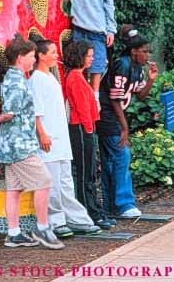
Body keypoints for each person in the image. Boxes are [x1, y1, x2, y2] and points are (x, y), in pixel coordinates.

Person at [0, 35, 64, 249]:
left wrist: (4, 117)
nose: (34, 60)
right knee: (44, 181)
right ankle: (42, 228)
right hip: (20, 144)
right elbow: (11, 110)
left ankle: (13, 233)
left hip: (9, 144)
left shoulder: (13, 77)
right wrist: (2, 117)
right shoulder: (16, 80)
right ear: (20, 57)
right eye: (31, 56)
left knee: (13, 189)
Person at [28, 39, 101, 238]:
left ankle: (77, 219)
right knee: (52, 183)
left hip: (61, 139)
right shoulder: (35, 80)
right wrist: (42, 134)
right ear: (40, 56)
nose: (56, 55)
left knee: (66, 182)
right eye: (52, 52)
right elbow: (35, 111)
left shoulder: (50, 77)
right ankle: (56, 222)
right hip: (48, 139)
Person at [97, 25, 159, 218]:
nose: (147, 55)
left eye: (149, 51)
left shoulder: (138, 69)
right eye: (144, 51)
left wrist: (150, 80)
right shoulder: (122, 65)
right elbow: (114, 98)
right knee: (121, 157)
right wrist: (125, 128)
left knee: (111, 161)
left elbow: (139, 96)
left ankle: (111, 206)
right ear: (133, 51)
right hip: (108, 117)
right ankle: (124, 205)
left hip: (114, 118)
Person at [48, 0, 117, 109]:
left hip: (98, 30)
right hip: (79, 27)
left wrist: (111, 30)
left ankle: (95, 96)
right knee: (80, 62)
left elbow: (109, 6)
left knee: (97, 64)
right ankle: (82, 92)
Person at [63, 40, 115, 229]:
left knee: (90, 172)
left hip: (86, 127)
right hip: (81, 128)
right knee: (86, 172)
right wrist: (89, 128)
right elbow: (82, 107)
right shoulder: (76, 78)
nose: (92, 59)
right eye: (89, 55)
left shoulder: (79, 76)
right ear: (80, 56)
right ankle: (89, 213)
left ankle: (94, 210)